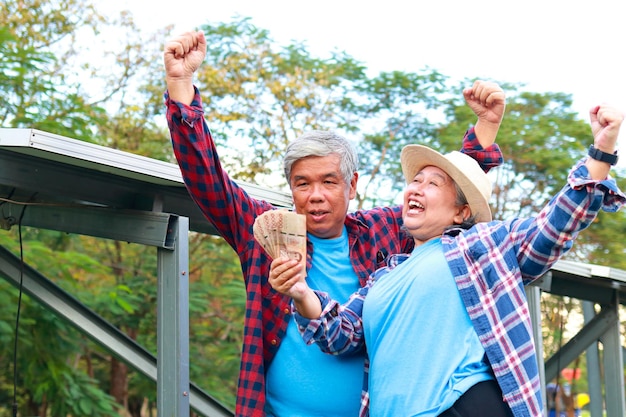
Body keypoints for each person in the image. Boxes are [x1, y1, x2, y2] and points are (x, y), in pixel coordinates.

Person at [164, 30, 506, 417]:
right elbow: (208, 181)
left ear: (352, 185)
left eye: (329, 181)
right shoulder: (267, 231)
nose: (315, 195)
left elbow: (447, 196)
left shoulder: (387, 232)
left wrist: (484, 129)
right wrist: (181, 86)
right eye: (302, 183)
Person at [269, 105, 625, 417]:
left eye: (432, 183)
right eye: (414, 181)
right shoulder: (383, 277)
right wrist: (300, 291)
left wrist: (601, 150)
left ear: (461, 211)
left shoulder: (481, 246)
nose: (415, 188)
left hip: (460, 405)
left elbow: (554, 227)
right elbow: (340, 334)